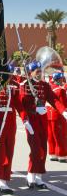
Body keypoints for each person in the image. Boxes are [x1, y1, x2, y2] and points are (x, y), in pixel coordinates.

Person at [20, 61, 67, 189]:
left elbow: (54, 99)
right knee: (35, 149)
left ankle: (39, 176)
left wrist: (63, 111)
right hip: (32, 120)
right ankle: (30, 174)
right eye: (37, 71)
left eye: (41, 71)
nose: (40, 73)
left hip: (43, 119)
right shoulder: (25, 85)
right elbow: (22, 105)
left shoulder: (45, 85)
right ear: (31, 73)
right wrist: (31, 114)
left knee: (43, 148)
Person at [0, 65, 28, 196]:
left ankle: (3, 180)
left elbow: (20, 106)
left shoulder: (13, 89)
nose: (7, 77)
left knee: (8, 153)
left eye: (8, 75)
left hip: (10, 124)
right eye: (4, 75)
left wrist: (25, 119)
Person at [47, 72, 67, 162]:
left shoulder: (50, 87)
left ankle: (52, 153)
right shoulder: (60, 90)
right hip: (58, 115)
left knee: (51, 136)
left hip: (48, 114)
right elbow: (63, 103)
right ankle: (62, 155)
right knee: (60, 136)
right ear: (59, 79)